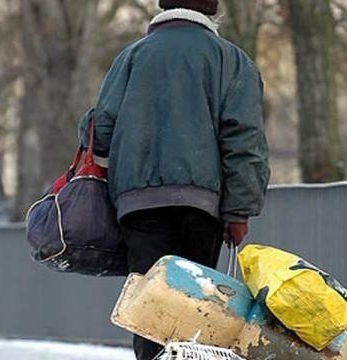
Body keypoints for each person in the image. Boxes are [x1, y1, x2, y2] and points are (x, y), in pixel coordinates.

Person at [79, 1, 269, 359]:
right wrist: (238, 211)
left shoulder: (130, 58)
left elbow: (99, 130)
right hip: (203, 207)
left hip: (138, 206)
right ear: (213, 11)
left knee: (150, 309)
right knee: (195, 309)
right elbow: (244, 141)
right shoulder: (232, 61)